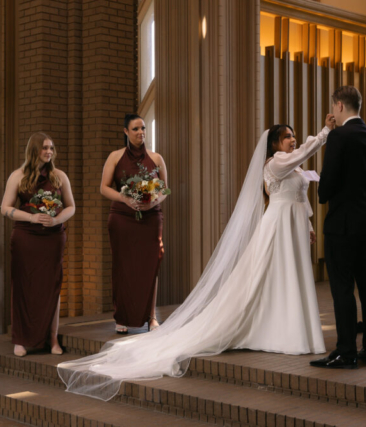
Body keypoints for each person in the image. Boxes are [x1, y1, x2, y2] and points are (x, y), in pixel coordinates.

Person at [58, 116, 335, 401]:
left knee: (286, 280)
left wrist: (310, 226)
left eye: (293, 136)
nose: (293, 140)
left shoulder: (292, 166)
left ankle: (287, 327)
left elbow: (299, 198)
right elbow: (301, 159)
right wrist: (325, 132)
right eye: (287, 136)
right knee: (273, 278)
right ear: (275, 143)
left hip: (293, 227)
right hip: (277, 228)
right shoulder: (276, 163)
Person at [311, 86, 366, 369]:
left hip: (342, 222)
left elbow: (327, 182)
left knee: (342, 287)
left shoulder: (339, 136)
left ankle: (345, 351)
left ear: (339, 106)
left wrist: (322, 194)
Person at [1, 132, 76, 357]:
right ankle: (20, 340)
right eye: (45, 148)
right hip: (25, 237)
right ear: (34, 150)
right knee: (23, 286)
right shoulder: (17, 176)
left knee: (52, 286)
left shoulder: (59, 176)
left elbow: (71, 207)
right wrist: (32, 218)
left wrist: (56, 220)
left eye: (51, 148)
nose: (49, 152)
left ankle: (52, 338)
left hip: (52, 238)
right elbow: (5, 208)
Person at [101, 114, 168, 334]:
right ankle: (121, 317)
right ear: (126, 132)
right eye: (136, 129)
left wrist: (152, 202)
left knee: (151, 267)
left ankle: (151, 317)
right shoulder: (114, 157)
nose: (141, 132)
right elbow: (104, 187)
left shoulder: (157, 158)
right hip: (122, 218)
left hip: (150, 219)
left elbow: (165, 189)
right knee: (122, 267)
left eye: (143, 128)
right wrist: (125, 198)